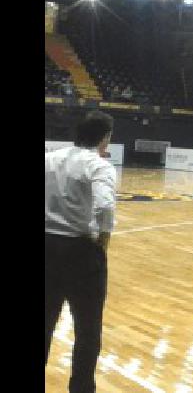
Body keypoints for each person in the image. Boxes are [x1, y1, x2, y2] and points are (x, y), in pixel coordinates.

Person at [46, 111, 117, 392]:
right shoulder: (98, 166)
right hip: (80, 251)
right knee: (87, 330)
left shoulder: (50, 158)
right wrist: (105, 238)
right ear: (105, 138)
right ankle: (81, 387)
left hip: (47, 246)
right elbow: (104, 206)